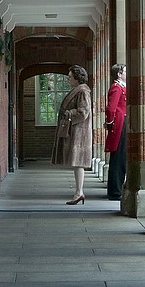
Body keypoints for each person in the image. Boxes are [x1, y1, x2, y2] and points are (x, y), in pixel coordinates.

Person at [51, 65, 93, 205]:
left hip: (80, 132)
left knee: (79, 162)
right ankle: (78, 192)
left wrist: (68, 113)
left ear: (77, 78)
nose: (68, 79)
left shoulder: (83, 91)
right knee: (77, 163)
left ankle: (79, 192)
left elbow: (83, 112)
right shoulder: (79, 90)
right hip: (77, 131)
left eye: (70, 77)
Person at [104, 63, 127, 201]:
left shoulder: (121, 87)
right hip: (119, 125)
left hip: (122, 123)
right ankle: (115, 191)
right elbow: (111, 108)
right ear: (119, 74)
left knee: (121, 157)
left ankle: (117, 188)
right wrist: (110, 123)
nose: (126, 74)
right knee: (118, 158)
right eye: (125, 72)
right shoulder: (116, 87)